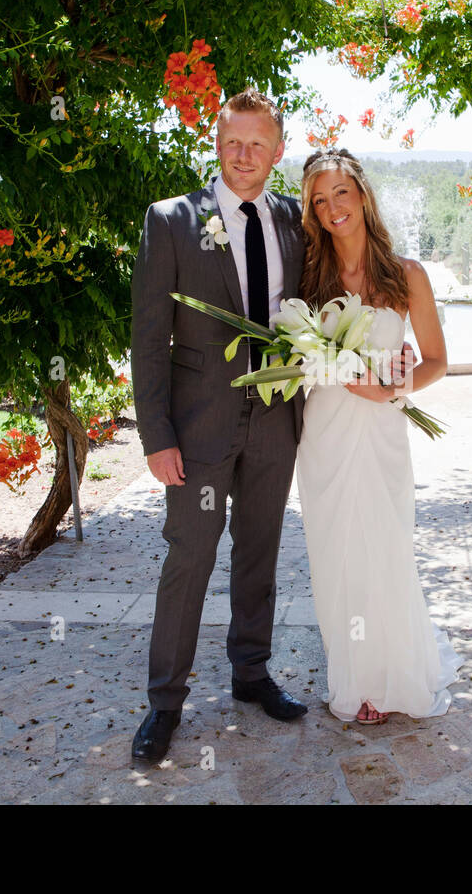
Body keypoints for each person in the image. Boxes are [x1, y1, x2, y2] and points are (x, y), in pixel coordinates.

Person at [129, 89, 309, 763]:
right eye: (233, 142)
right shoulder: (172, 220)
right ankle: (165, 701)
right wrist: (158, 435)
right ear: (216, 143)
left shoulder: (295, 221)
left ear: (277, 152)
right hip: (198, 431)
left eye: (257, 144)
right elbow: (148, 338)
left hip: (274, 423)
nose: (244, 155)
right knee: (190, 559)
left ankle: (251, 673)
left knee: (259, 553)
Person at [295, 148, 465, 725]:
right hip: (324, 435)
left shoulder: (406, 274)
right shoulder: (309, 275)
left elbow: (437, 361)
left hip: (383, 433)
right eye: (320, 200)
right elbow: (295, 356)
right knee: (335, 554)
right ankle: (359, 678)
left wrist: (393, 390)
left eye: (340, 192)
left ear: (363, 194)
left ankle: (394, 673)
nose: (332, 208)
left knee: (385, 548)